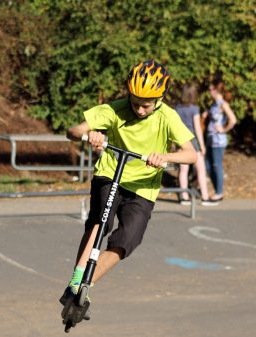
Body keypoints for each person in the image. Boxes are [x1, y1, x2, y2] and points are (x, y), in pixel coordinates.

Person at [63, 60, 197, 313]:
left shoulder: (168, 116)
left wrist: (164, 158)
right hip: (111, 174)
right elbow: (73, 130)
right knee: (100, 221)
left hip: (144, 186)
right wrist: (91, 134)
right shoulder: (115, 109)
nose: (140, 109)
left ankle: (85, 286)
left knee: (127, 239)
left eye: (146, 104)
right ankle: (74, 281)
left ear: (159, 99)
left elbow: (192, 155)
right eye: (135, 102)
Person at [201, 78, 236, 206]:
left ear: (216, 90)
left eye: (211, 89)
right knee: (209, 166)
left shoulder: (223, 104)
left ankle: (219, 193)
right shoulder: (214, 104)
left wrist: (223, 129)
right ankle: (216, 191)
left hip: (218, 141)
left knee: (216, 165)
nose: (209, 91)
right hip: (210, 139)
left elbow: (233, 120)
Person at [174, 84, 212, 205]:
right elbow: (197, 129)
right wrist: (202, 146)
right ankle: (205, 197)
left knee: (183, 171)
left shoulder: (177, 108)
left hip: (181, 141)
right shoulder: (194, 109)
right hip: (193, 141)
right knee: (201, 169)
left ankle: (184, 196)